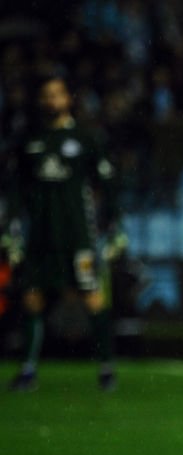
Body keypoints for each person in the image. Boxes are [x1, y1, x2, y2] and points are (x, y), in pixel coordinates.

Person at [1, 76, 126, 392]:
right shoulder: (31, 142)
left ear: (67, 99)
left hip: (77, 235)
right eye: (46, 96)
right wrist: (10, 228)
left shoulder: (85, 139)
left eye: (56, 95)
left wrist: (114, 226)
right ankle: (28, 370)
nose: (51, 101)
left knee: (93, 297)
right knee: (32, 298)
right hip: (40, 236)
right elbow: (16, 190)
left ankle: (107, 368)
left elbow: (107, 184)